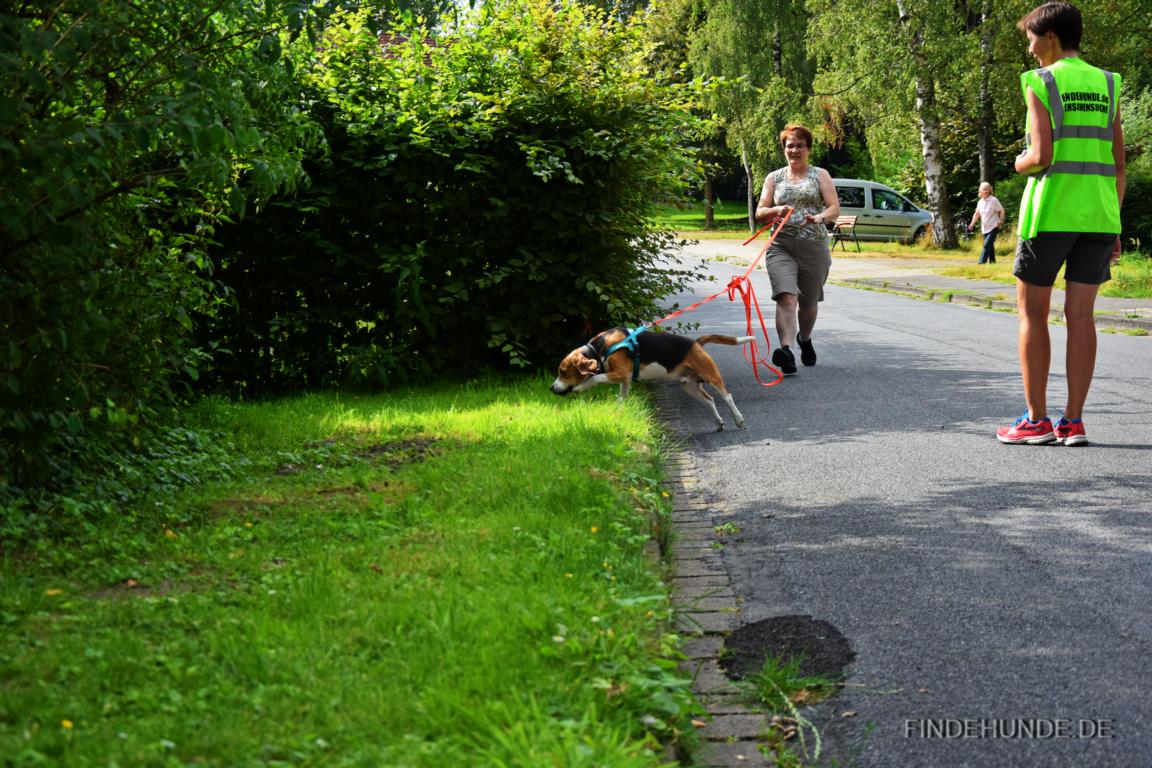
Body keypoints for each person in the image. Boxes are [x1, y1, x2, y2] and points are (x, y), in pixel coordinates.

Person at [996, 2, 1125, 446]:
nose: (1030, 50)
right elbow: (1118, 161)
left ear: (1050, 36)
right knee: (1082, 317)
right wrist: (1115, 223)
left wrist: (1016, 162)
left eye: (1031, 39)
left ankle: (1035, 420)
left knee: (1033, 315)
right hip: (1100, 215)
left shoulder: (1041, 81)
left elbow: (1041, 157)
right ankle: (1073, 422)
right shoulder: (1109, 83)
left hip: (1049, 213)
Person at [754, 124, 840, 375]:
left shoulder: (820, 175)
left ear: (808, 149)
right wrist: (775, 210)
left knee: (809, 301)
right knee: (786, 296)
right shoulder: (774, 178)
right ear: (784, 149)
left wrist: (820, 218)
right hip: (781, 246)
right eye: (790, 145)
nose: (794, 150)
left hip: (814, 245)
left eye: (800, 145)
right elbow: (760, 212)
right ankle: (786, 351)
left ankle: (805, 339)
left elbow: (834, 208)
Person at [969, 182, 1006, 264]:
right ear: (980, 191)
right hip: (985, 227)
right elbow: (977, 214)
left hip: (994, 225)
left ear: (990, 190)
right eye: (984, 189)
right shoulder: (980, 202)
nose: (985, 191)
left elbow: (1002, 210)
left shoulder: (993, 200)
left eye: (987, 189)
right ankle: (993, 262)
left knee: (986, 244)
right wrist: (972, 224)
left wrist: (1001, 220)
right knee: (990, 245)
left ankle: (981, 262)